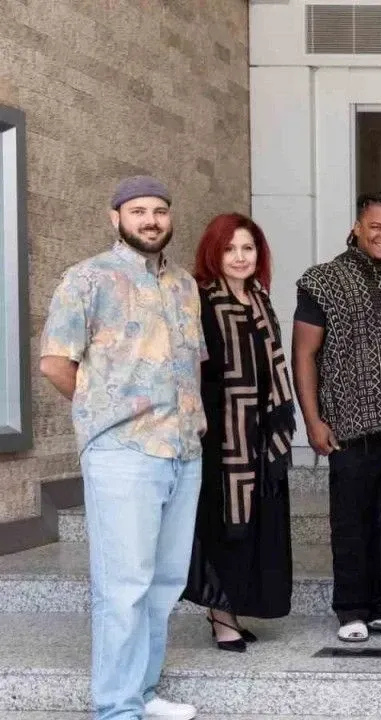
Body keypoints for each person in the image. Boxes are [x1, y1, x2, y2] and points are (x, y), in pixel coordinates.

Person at [40, 176, 204, 720]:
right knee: (123, 585)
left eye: (159, 210)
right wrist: (106, 413)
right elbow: (55, 363)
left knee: (164, 582)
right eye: (138, 211)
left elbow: (191, 366)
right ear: (116, 218)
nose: (151, 220)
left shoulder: (184, 284)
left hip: (183, 449)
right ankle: (116, 708)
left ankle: (143, 693)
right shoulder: (87, 278)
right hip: (123, 452)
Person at [293, 190, 381, 642]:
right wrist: (313, 420)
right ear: (357, 227)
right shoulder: (322, 281)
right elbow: (304, 355)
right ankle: (351, 609)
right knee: (351, 521)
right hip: (348, 427)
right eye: (376, 227)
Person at [182, 214, 296, 652]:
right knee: (224, 524)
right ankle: (220, 615)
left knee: (257, 524)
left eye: (247, 248)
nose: (239, 257)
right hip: (220, 436)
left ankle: (236, 606)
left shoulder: (260, 300)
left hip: (262, 434)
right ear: (214, 252)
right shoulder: (201, 300)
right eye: (229, 249)